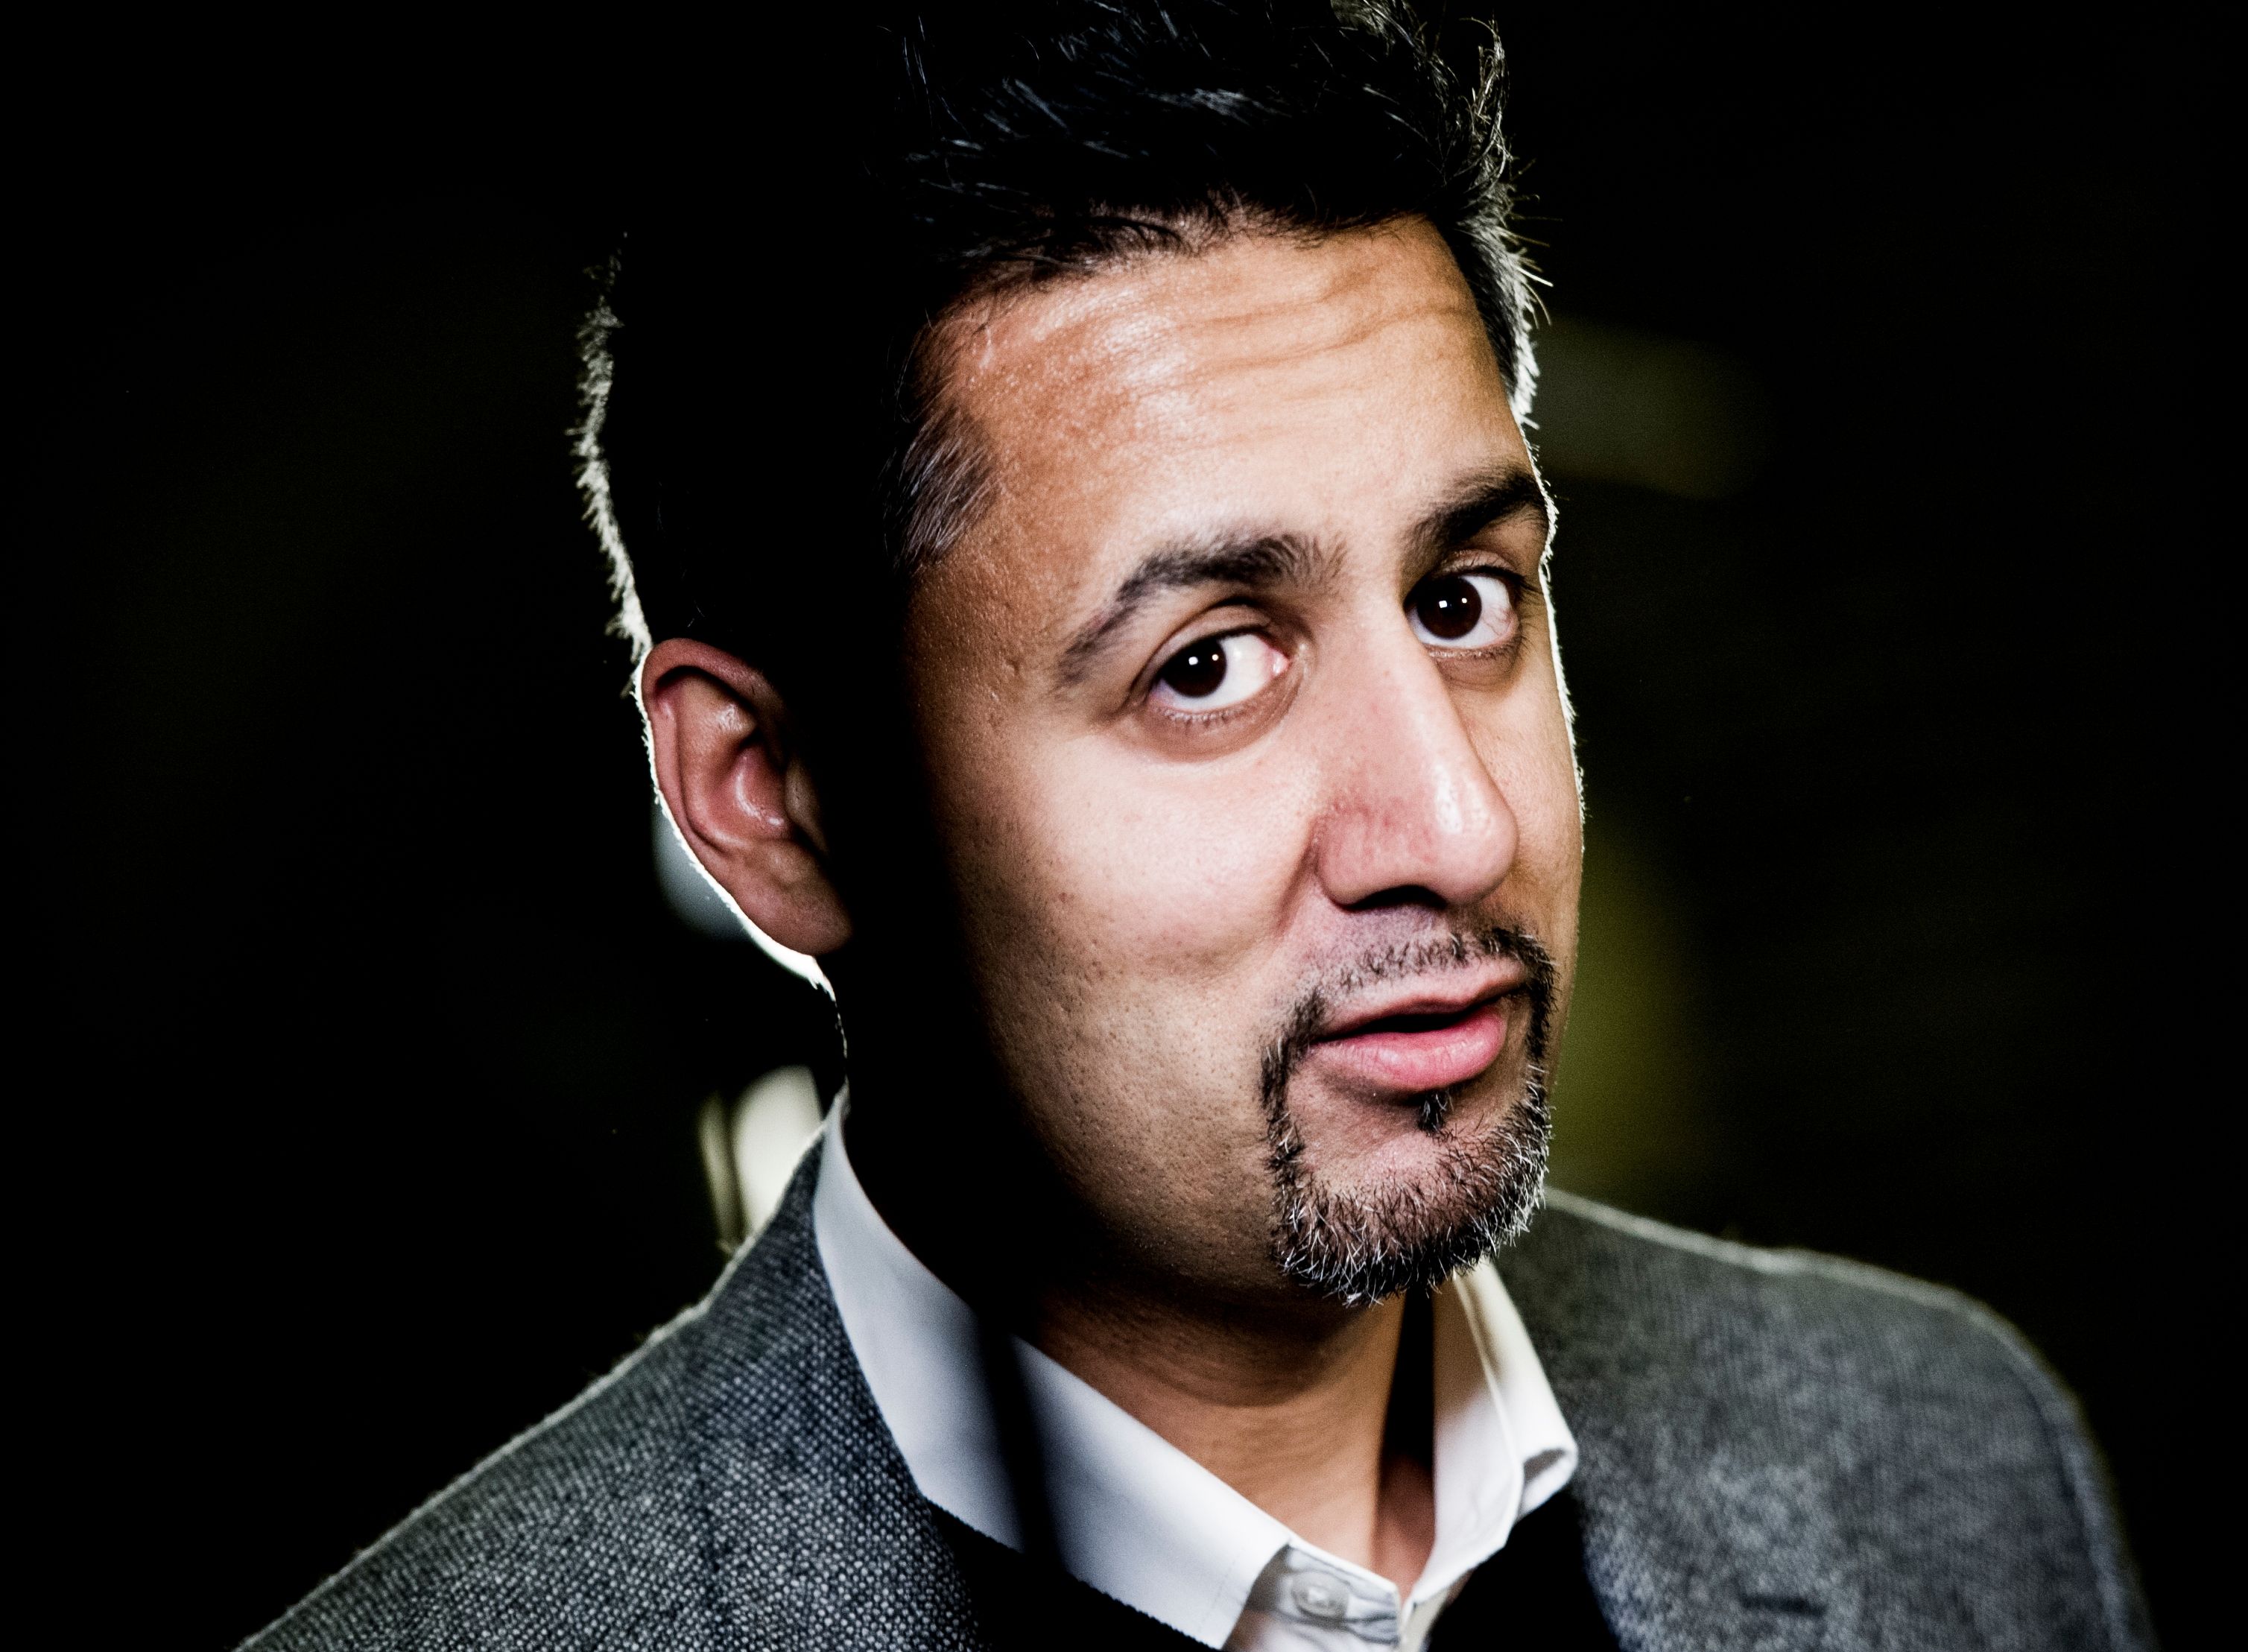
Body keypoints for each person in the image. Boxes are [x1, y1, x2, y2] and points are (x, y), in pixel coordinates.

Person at [246, 4, 2149, 1648]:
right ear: (772, 798)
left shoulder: (1944, 1457)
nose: (1457, 823)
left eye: (1463, 599)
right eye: (1208, 664)